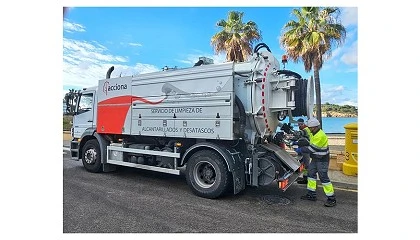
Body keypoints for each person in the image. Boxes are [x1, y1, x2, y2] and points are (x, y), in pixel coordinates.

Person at [296, 117, 337, 207]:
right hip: (316, 159)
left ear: (315, 127)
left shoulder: (320, 135)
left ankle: (331, 198)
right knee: (311, 174)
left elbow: (312, 149)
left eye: (310, 128)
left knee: (324, 178)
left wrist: (300, 148)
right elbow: (307, 135)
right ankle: (311, 194)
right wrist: (299, 137)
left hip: (322, 160)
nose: (309, 129)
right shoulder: (314, 132)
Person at [294, 118, 311, 184]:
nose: (299, 126)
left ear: (303, 123)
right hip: (302, 148)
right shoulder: (303, 129)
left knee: (306, 165)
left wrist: (294, 141)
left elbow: (299, 134)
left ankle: (307, 179)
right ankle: (304, 176)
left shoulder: (305, 130)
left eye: (300, 124)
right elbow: (299, 137)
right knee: (302, 163)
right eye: (298, 124)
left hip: (306, 149)